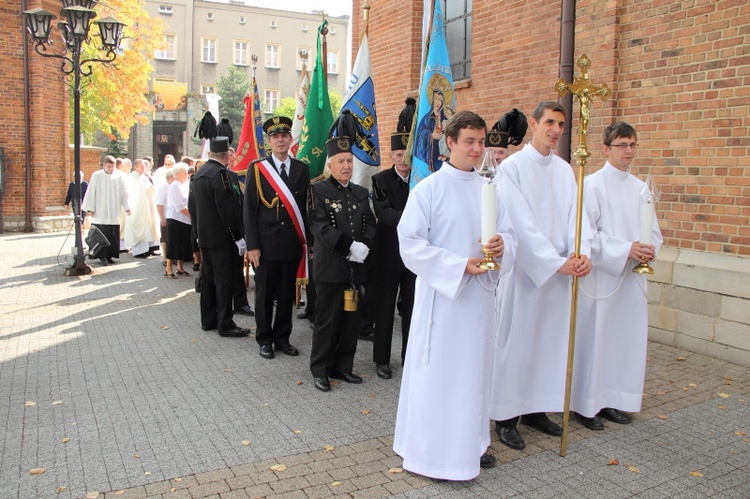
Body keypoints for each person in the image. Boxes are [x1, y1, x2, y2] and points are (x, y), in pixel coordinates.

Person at [393, 111, 516, 480]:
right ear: (450, 142)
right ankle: (430, 454)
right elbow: (410, 244)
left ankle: (471, 446)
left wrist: (501, 244)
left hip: (479, 303)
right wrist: (459, 265)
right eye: (470, 141)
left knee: (474, 376)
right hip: (443, 304)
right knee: (441, 378)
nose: (478, 149)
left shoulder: (490, 188)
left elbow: (510, 235)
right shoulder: (428, 189)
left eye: (482, 142)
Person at [489, 100, 593, 451]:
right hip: (526, 273)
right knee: (517, 342)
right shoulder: (513, 168)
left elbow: (577, 218)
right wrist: (552, 261)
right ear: (534, 124)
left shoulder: (565, 170)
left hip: (560, 274)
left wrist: (580, 253)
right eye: (549, 122)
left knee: (549, 344)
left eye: (561, 124)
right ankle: (505, 416)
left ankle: (536, 409)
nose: (556, 130)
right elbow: (518, 223)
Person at [571, 122, 662, 430]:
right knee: (597, 338)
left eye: (633, 144)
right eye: (622, 145)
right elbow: (585, 236)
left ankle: (613, 399)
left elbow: (654, 232)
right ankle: (585, 404)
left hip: (632, 278)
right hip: (602, 278)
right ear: (606, 148)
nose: (629, 151)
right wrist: (626, 249)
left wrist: (649, 250)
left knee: (624, 340)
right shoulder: (592, 185)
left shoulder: (641, 188)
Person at [307, 137, 376, 392]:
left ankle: (343, 367)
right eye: (341, 161)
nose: (346, 166)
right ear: (330, 164)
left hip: (355, 269)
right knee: (327, 321)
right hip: (330, 268)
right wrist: (349, 246)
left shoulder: (360, 192)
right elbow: (320, 226)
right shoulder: (317, 191)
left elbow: (370, 224)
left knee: (350, 321)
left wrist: (365, 245)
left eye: (349, 161)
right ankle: (321, 370)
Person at [244, 117, 309, 359]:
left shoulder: (302, 169)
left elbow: (304, 208)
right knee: (264, 294)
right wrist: (252, 245)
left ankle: (283, 338)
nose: (280, 140)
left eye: (284, 135)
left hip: (291, 245)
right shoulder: (258, 169)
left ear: (290, 139)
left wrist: (308, 243)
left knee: (286, 295)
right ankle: (265, 339)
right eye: (275, 136)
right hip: (266, 246)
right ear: (269, 141)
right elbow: (249, 209)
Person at [370, 101, 417, 380]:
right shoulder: (380, 180)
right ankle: (381, 360)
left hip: (413, 257)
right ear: (392, 155)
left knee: (411, 310)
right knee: (384, 310)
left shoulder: (421, 179)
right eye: (398, 154)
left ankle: (408, 357)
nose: (402, 160)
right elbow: (384, 214)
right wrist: (414, 218)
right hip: (387, 256)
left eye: (406, 154)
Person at [188, 137, 250, 338]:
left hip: (206, 238)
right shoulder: (221, 175)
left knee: (208, 280)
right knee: (224, 281)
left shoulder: (198, 175)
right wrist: (238, 236)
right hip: (223, 239)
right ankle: (225, 323)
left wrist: (197, 234)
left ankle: (208, 320)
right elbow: (227, 210)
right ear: (226, 156)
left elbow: (193, 209)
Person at [81, 155, 131, 265]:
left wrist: (127, 206)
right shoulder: (97, 175)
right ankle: (101, 256)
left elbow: (124, 192)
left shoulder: (120, 176)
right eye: (108, 166)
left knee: (112, 234)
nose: (111, 169)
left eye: (112, 167)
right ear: (104, 165)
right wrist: (90, 208)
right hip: (100, 211)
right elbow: (91, 191)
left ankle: (110, 255)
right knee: (101, 234)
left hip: (113, 211)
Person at [124, 159, 159, 258]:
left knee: (147, 226)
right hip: (137, 207)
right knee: (138, 227)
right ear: (135, 167)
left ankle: (146, 249)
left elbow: (151, 188)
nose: (144, 168)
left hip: (146, 206)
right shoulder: (131, 177)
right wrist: (146, 187)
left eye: (144, 166)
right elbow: (133, 190)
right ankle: (138, 251)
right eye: (141, 166)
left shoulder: (143, 177)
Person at [165, 163, 193, 277]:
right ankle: (168, 268)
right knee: (173, 244)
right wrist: (192, 215)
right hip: (175, 219)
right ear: (177, 174)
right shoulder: (174, 186)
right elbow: (180, 206)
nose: (186, 174)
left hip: (185, 220)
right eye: (184, 172)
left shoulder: (185, 184)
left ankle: (180, 267)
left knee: (183, 244)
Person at [155, 168, 174, 267]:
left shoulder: (173, 186)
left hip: (173, 217)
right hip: (166, 216)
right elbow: (159, 204)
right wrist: (162, 217)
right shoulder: (163, 187)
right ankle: (165, 258)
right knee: (165, 238)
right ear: (171, 177)